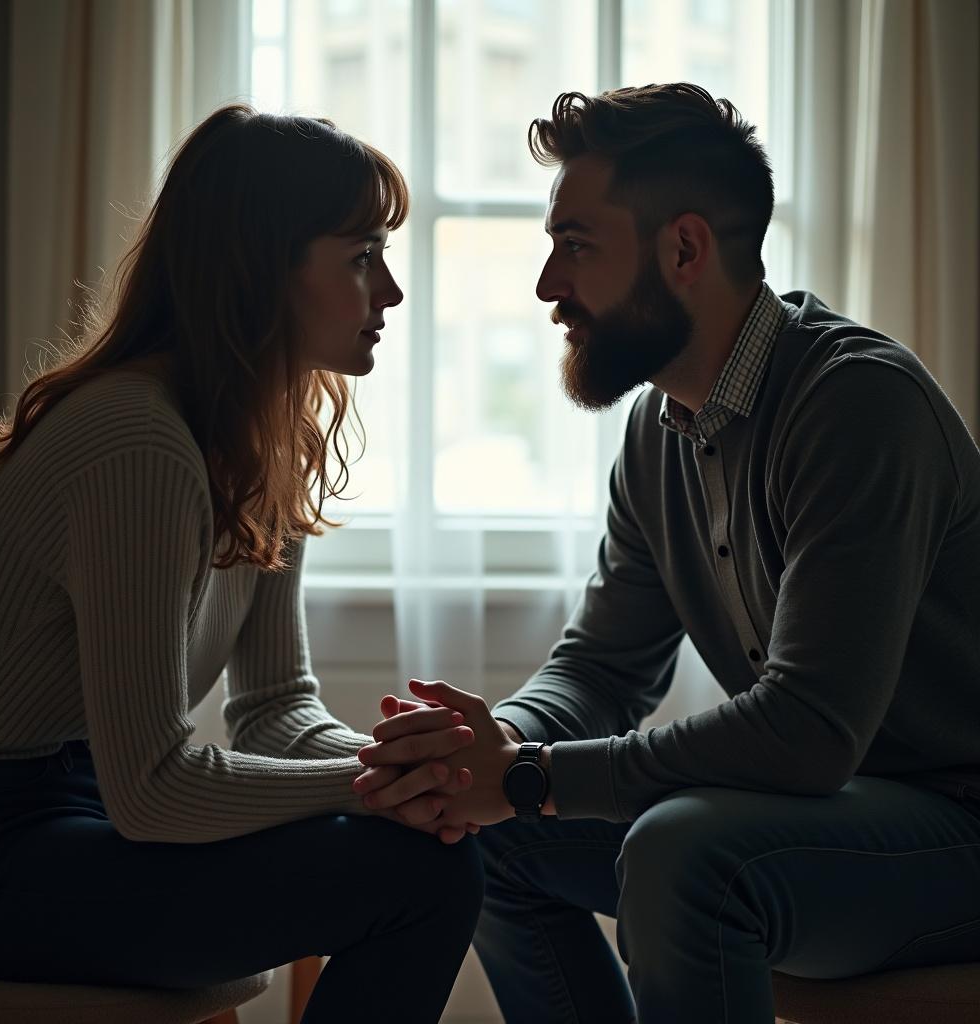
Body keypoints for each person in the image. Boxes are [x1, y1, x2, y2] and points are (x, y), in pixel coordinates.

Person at [354, 83, 980, 1023]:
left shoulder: (857, 405)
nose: (547, 287)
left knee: (682, 851)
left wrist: (528, 778)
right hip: (830, 822)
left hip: (954, 832)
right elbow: (602, 670)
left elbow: (807, 731)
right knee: (484, 838)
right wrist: (484, 752)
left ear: (683, 248)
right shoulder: (660, 430)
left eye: (576, 245)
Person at [0, 104, 483, 1024]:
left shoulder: (253, 436)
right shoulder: (138, 443)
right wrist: (386, 787)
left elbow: (273, 707)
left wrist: (402, 771)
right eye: (361, 256)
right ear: (261, 269)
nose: (391, 292)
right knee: (420, 874)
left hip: (74, 810)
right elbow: (156, 787)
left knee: (438, 850)